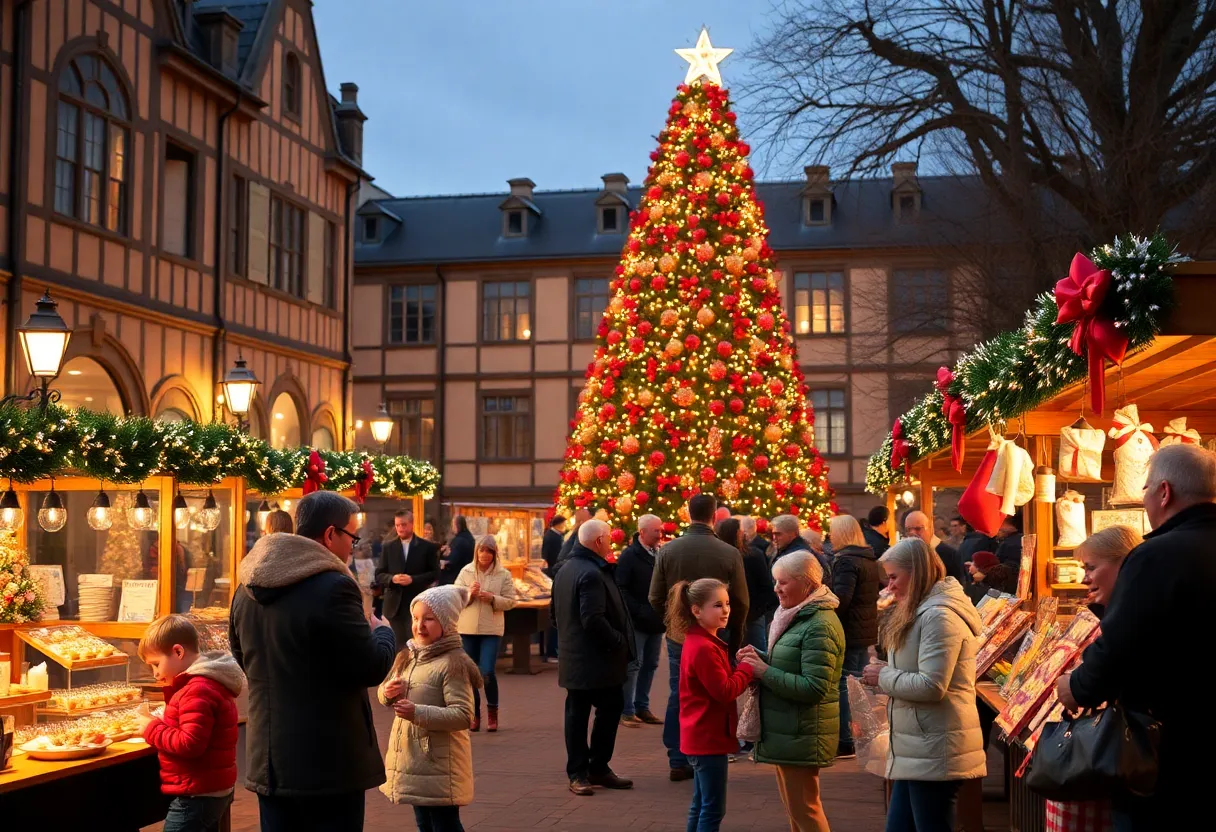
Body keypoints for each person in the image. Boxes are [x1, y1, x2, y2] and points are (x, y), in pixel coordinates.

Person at [1057, 445, 1216, 832]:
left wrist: (1076, 686)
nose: (1143, 499)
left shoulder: (1156, 555)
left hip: (1169, 752)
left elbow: (1121, 646)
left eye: (1145, 489)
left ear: (1164, 492)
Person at [230, 491, 396, 831]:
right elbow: (370, 667)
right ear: (331, 534)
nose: (353, 546)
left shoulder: (246, 586)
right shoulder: (334, 587)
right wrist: (383, 633)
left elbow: (241, 656)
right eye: (352, 536)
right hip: (327, 759)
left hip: (268, 757)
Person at [862, 538, 985, 832]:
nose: (889, 586)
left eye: (894, 577)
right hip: (918, 745)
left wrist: (883, 677)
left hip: (934, 746)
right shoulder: (922, 610)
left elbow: (931, 685)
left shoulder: (938, 616)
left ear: (915, 574)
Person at [1039, 525, 1142, 830]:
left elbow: (1105, 668)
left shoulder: (1133, 615)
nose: (1084, 578)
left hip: (1139, 761)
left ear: (1124, 564)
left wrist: (1073, 684)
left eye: (1091, 568)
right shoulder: (1118, 610)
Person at [739, 550, 845, 832]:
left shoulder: (818, 624)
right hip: (790, 730)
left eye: (783, 582)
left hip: (802, 731)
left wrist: (764, 671)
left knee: (805, 812)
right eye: (776, 582)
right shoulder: (798, 615)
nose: (776, 589)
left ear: (806, 583)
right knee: (796, 812)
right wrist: (762, 658)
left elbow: (814, 687)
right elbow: (794, 663)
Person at [649, 494, 750, 781]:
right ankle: (708, 752)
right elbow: (741, 601)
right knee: (717, 693)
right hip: (718, 635)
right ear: (714, 514)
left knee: (679, 693)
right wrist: (735, 636)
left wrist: (674, 622)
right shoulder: (729, 552)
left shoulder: (668, 551)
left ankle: (678, 757)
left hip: (680, 636)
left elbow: (654, 596)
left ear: (687, 513)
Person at [378, 585, 482, 832]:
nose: (419, 625)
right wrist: (387, 693)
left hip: (439, 763)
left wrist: (417, 712)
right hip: (413, 761)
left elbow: (463, 715)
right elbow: (383, 692)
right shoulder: (408, 656)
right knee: (424, 823)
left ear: (447, 623)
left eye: (429, 619)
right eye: (415, 618)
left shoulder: (453, 663)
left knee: (444, 824)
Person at [135, 615, 244, 832]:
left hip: (197, 793)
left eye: (156, 664)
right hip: (208, 788)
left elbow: (190, 743)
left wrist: (151, 728)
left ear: (178, 652)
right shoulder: (203, 683)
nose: (155, 674)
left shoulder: (197, 689)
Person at [554, 519, 635, 796]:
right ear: (598, 541)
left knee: (595, 710)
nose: (611, 544)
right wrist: (618, 641)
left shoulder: (566, 568)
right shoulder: (589, 572)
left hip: (578, 657)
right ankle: (583, 771)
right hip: (594, 659)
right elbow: (593, 619)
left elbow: (555, 616)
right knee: (587, 713)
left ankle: (594, 769)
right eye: (609, 539)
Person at [668, 578, 755, 832]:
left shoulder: (701, 642)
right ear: (696, 610)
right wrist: (747, 669)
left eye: (727, 604)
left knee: (702, 803)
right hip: (707, 736)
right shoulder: (703, 647)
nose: (726, 610)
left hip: (701, 734)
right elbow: (724, 691)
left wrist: (738, 668)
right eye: (717, 605)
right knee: (713, 808)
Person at [826, 514, 880, 760]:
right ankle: (863, 734)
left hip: (849, 630)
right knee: (857, 684)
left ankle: (846, 740)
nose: (829, 535)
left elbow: (842, 599)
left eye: (832, 531)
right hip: (864, 629)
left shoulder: (846, 561)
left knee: (843, 685)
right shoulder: (866, 557)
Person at [454, 535, 517, 732]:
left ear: (494, 553)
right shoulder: (466, 571)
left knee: (487, 671)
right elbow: (454, 596)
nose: (484, 555)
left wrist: (492, 598)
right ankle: (475, 714)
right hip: (467, 628)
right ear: (476, 552)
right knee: (470, 673)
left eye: (488, 551)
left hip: (491, 629)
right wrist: (469, 594)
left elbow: (511, 601)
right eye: (481, 551)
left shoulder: (503, 574)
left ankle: (493, 712)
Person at [616, 513, 666, 727]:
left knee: (650, 664)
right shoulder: (629, 556)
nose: (660, 534)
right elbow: (621, 588)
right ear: (643, 532)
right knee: (633, 665)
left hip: (656, 620)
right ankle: (626, 710)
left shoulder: (659, 553)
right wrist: (639, 610)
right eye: (656, 531)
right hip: (638, 621)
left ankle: (642, 706)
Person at [376, 509, 441, 648]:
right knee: (396, 648)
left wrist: (413, 579)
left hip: (417, 605)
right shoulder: (388, 547)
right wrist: (392, 579)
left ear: (412, 524)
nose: (400, 528)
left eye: (403, 525)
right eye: (397, 525)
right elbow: (379, 574)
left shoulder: (426, 547)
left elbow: (435, 573)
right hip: (393, 606)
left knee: (416, 646)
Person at [736, 516, 778, 653]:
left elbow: (765, 585)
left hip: (753, 612)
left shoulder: (756, 552)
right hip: (755, 612)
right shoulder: (754, 553)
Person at [903, 510, 965, 584]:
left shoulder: (949, 554)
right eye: (908, 529)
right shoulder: (905, 554)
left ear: (930, 528)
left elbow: (958, 588)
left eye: (918, 529)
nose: (912, 533)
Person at [772, 514, 830, 581]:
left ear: (793, 533)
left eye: (778, 534)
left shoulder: (799, 556)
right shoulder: (787, 550)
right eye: (773, 534)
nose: (774, 538)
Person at [438, 515, 475, 586]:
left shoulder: (459, 541)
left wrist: (444, 558)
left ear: (457, 526)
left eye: (453, 525)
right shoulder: (469, 538)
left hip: (454, 579)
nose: (452, 528)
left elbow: (452, 560)